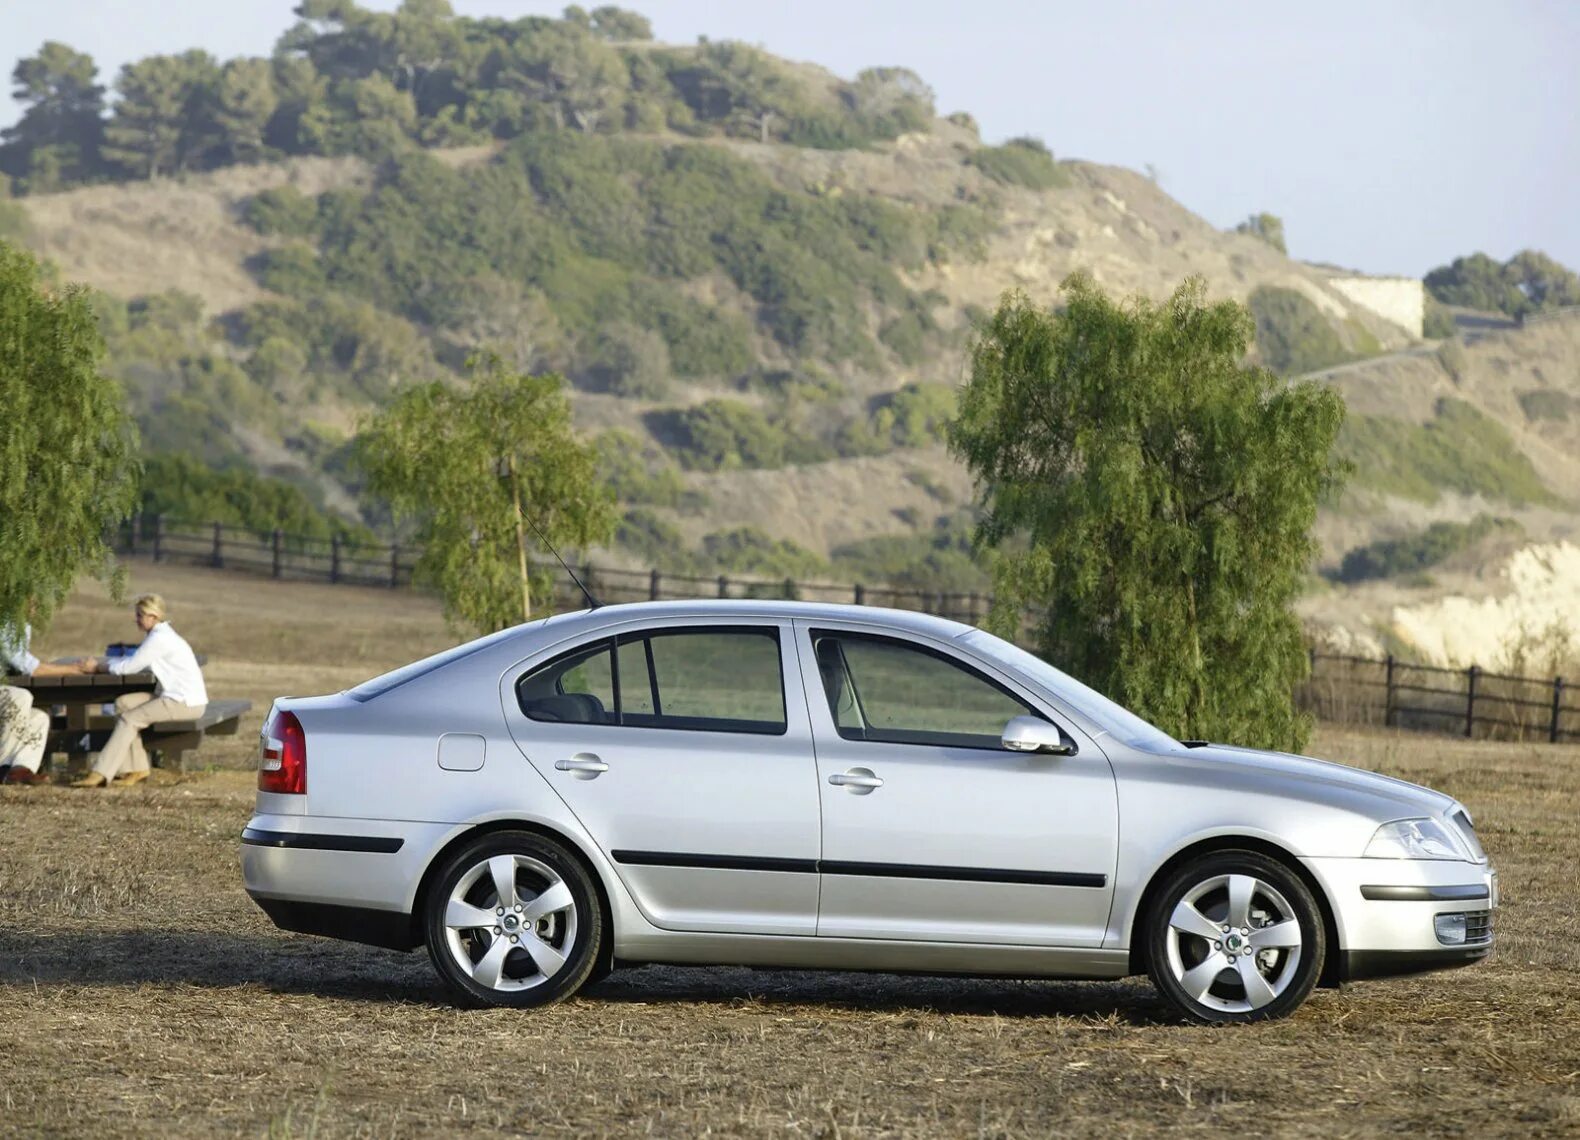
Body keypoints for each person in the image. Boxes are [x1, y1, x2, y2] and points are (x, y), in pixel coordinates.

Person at [70, 594, 207, 789]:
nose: (136, 619)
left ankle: (100, 772)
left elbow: (128, 667)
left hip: (184, 702)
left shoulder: (160, 638)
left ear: (152, 616)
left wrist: (97, 667)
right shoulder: (159, 635)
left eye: (139, 615)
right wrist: (103, 665)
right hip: (172, 695)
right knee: (123, 704)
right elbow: (131, 662)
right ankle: (137, 768)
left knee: (130, 719)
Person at [1, 618, 85, 786]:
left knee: (39, 718)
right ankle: (3, 765)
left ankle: (20, 769)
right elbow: (28, 665)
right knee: (20, 697)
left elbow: (19, 659)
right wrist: (73, 670)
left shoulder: (18, 622)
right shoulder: (5, 620)